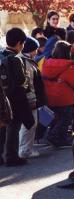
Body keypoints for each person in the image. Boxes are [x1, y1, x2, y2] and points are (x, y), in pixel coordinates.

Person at [0, 28, 35, 166]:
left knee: (2, 126)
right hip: (14, 97)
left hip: (2, 96)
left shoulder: (1, 55)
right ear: (19, 43)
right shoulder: (15, 59)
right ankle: (11, 156)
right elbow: (21, 81)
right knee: (14, 126)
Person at [42, 41, 74, 147]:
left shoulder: (46, 64)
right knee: (65, 119)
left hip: (49, 98)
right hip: (64, 99)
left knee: (56, 119)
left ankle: (59, 138)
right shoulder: (69, 67)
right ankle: (53, 137)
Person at [19, 36, 47, 158]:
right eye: (35, 49)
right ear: (30, 49)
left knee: (23, 125)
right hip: (30, 99)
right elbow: (29, 83)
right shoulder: (27, 63)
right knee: (29, 124)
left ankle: (23, 148)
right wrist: (34, 99)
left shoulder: (21, 59)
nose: (37, 52)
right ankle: (25, 150)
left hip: (24, 99)